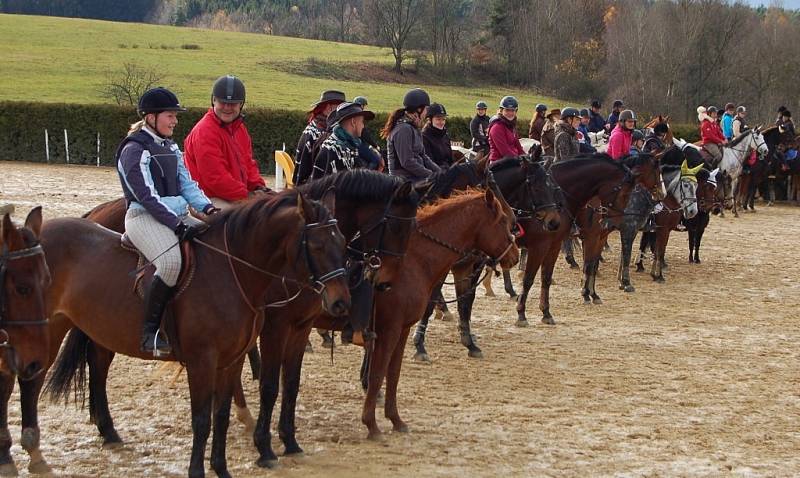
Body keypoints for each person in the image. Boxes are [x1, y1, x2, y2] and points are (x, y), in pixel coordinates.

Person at [116, 87, 218, 357]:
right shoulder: (133, 149)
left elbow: (188, 184)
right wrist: (176, 223)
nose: (175, 121)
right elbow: (147, 197)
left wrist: (207, 208)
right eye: (170, 116)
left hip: (175, 215)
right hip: (143, 217)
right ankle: (150, 332)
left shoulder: (170, 146)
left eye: (175, 116)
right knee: (171, 262)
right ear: (151, 117)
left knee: (216, 245)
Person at [183, 75, 267, 209]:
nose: (227, 108)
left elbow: (248, 163)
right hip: (207, 198)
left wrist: (259, 186)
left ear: (241, 104)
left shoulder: (239, 129)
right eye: (223, 102)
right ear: (214, 101)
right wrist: (248, 196)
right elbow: (215, 179)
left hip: (234, 195)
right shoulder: (204, 132)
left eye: (233, 103)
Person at [385, 88, 441, 182]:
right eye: (426, 109)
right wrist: (431, 175)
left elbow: (423, 156)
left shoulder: (414, 128)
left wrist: (440, 172)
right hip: (403, 182)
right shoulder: (403, 129)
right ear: (419, 109)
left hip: (415, 178)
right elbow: (407, 162)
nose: (426, 113)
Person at [294, 90, 346, 185]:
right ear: (329, 107)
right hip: (311, 187)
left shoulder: (319, 125)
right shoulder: (317, 132)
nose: (343, 113)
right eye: (340, 108)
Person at [311, 102, 376, 178]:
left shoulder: (348, 145)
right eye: (362, 122)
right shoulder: (334, 149)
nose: (363, 126)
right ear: (353, 122)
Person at [487, 96, 526, 162]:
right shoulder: (497, 128)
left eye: (512, 110)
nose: (510, 113)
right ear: (501, 111)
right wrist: (520, 159)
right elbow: (505, 152)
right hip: (499, 163)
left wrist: (526, 157)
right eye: (507, 110)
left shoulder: (511, 126)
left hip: (512, 160)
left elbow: (518, 146)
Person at [422, 103, 454, 170]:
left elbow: (451, 160)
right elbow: (428, 163)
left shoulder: (445, 136)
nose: (442, 122)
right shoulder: (424, 137)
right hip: (434, 175)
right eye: (438, 119)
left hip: (447, 172)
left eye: (443, 119)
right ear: (430, 120)